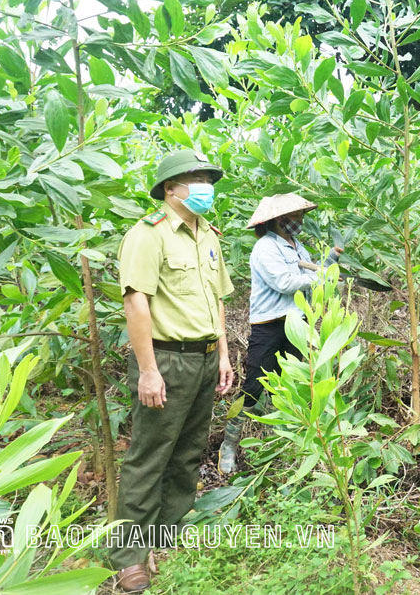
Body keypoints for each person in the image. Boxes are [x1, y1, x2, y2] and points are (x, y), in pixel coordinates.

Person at [111, 150, 235, 593]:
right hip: (165, 359)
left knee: (187, 451)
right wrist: (148, 370)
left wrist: (222, 355)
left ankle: (167, 530)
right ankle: (128, 555)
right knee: (150, 456)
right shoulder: (150, 235)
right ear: (170, 188)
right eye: (195, 178)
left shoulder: (208, 235)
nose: (205, 186)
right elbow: (135, 301)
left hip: (203, 358)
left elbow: (217, 300)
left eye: (207, 177)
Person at [217, 193, 343, 474]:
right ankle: (228, 444)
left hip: (298, 323)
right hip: (269, 325)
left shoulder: (298, 247)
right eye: (295, 217)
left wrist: (329, 261)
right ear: (278, 220)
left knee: (294, 384)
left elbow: (311, 277)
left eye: (300, 216)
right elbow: (285, 283)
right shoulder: (264, 248)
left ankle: (283, 447)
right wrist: (322, 276)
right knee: (254, 386)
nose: (299, 221)